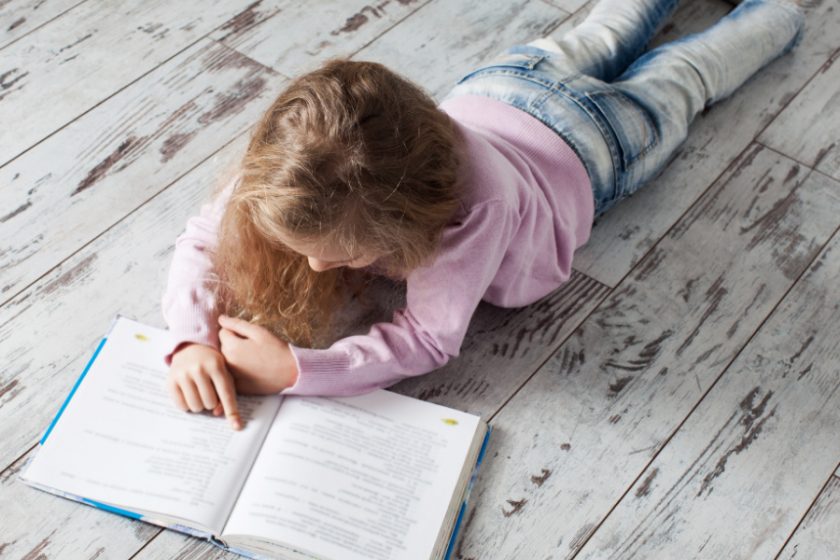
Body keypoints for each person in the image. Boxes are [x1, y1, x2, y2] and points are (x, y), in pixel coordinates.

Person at [161, 0, 805, 430]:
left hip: (596, 144)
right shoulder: (297, 164)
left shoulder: (472, 208)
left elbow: (429, 338)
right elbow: (201, 240)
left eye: (345, 252)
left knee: (685, 71)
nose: (316, 264)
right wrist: (191, 337)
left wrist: (302, 369)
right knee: (607, 32)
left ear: (412, 222)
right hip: (504, 84)